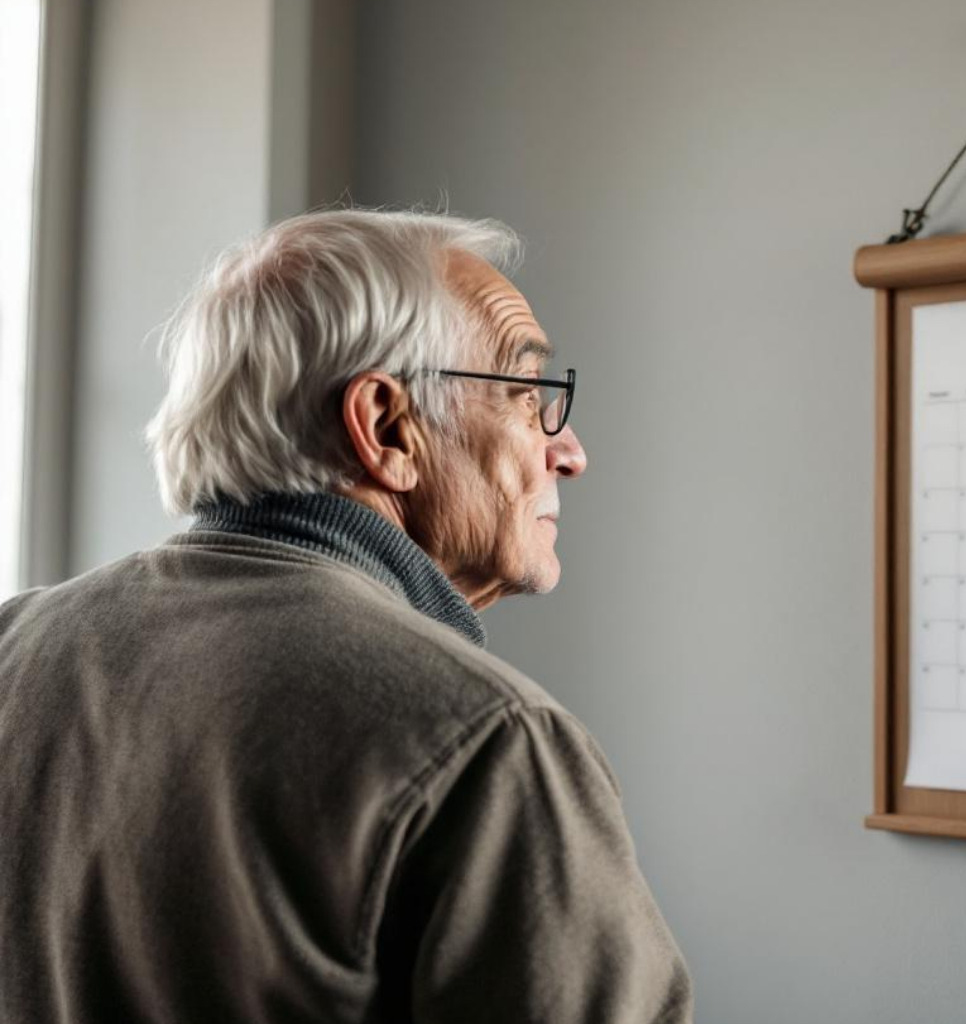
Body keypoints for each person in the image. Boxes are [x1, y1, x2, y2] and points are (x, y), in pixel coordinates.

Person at [0, 210, 693, 1023]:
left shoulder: (15, 647)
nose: (570, 451)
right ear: (387, 427)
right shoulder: (489, 740)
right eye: (527, 393)